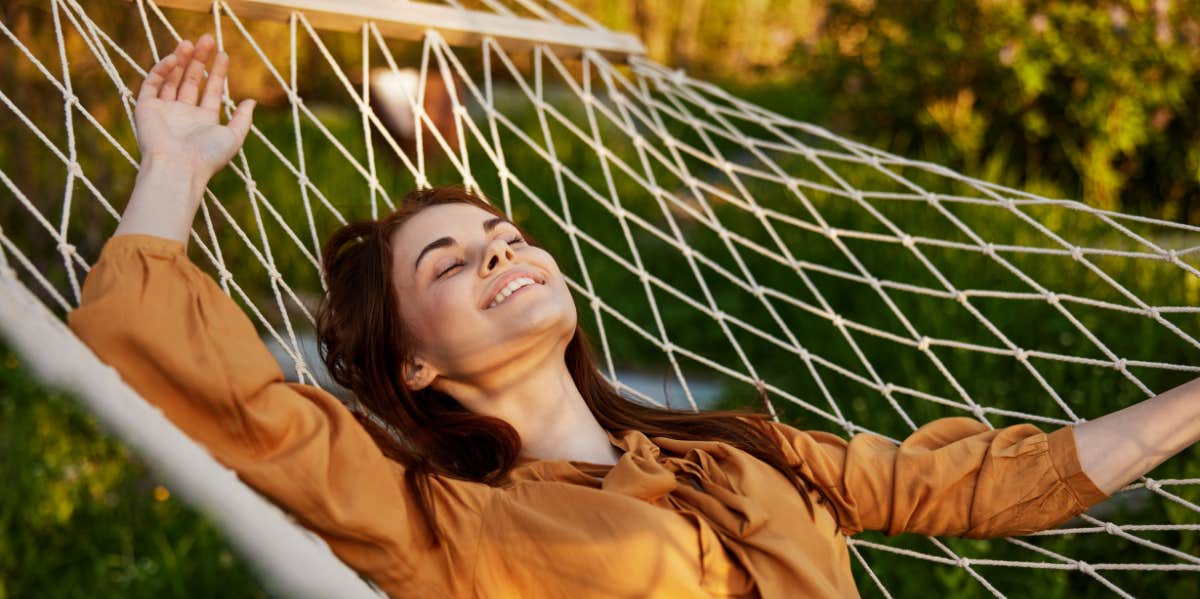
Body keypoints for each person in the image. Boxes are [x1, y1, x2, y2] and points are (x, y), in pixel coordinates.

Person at [66, 34, 1199, 598]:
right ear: (411, 364)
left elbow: (985, 479)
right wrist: (169, 170)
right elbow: (248, 410)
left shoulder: (734, 448)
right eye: (452, 261)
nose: (501, 253)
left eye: (505, 234)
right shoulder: (443, 523)